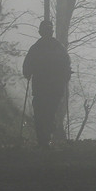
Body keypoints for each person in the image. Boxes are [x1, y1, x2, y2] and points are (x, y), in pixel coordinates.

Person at [22, 19, 72, 148]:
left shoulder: (37, 48)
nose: (46, 33)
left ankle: (44, 139)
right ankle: (44, 139)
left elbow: (27, 64)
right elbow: (66, 63)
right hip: (50, 87)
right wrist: (66, 75)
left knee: (43, 112)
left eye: (47, 30)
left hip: (46, 87)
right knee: (46, 112)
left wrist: (27, 72)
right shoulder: (57, 47)